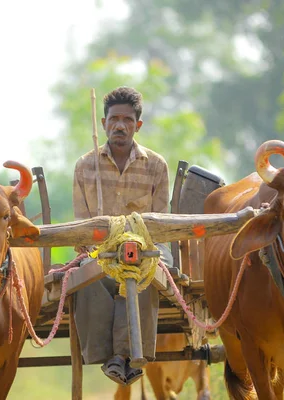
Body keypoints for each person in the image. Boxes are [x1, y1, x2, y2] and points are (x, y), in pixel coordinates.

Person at [72, 86, 173, 386]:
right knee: (85, 275)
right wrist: (99, 248)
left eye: (127, 120)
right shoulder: (84, 166)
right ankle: (110, 356)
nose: (119, 125)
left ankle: (126, 355)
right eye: (113, 119)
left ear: (137, 125)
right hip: (98, 252)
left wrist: (136, 247)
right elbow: (81, 227)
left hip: (145, 250)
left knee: (147, 271)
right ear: (103, 124)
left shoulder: (156, 166)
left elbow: (160, 225)